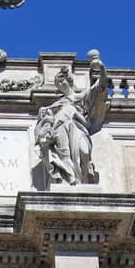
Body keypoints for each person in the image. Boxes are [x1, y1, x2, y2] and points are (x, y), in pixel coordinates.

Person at [35, 54, 110, 185]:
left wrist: (102, 68)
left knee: (84, 151)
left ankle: (84, 178)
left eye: (62, 81)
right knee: (64, 156)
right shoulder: (55, 105)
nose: (60, 84)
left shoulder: (81, 96)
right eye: (58, 83)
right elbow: (45, 122)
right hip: (60, 130)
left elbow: (101, 88)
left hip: (78, 128)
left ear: (69, 81)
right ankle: (70, 180)